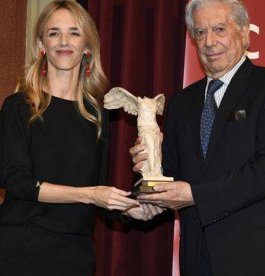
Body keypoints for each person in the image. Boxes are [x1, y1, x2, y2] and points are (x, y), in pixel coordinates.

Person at [130, 0, 265, 275]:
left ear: (244, 33)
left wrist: (194, 195)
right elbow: (171, 174)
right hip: (200, 259)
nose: (209, 41)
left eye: (219, 29)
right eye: (200, 32)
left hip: (264, 257)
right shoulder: (181, 103)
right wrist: (145, 191)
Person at [0, 1, 161, 275]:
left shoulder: (96, 115)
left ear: (87, 47)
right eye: (54, 33)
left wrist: (132, 208)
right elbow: (17, 183)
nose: (64, 41)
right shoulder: (19, 106)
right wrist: (91, 195)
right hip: (21, 249)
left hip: (76, 256)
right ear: (42, 45)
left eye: (74, 32)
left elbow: (98, 191)